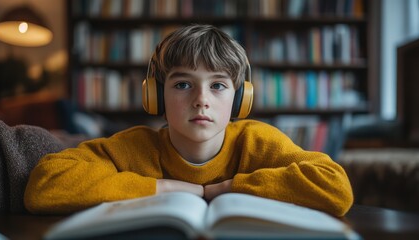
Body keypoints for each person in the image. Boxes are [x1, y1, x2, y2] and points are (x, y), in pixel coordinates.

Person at [24, 24, 353, 217]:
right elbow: (45, 185)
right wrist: (166, 188)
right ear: (155, 96)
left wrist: (225, 189)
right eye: (182, 84)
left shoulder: (257, 141)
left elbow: (334, 186)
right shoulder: (134, 147)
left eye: (218, 86)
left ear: (240, 98)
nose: (201, 99)